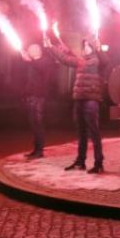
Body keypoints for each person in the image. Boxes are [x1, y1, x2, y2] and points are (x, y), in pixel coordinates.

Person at [45, 33, 106, 173]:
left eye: (88, 45)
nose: (85, 48)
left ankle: (98, 163)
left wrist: (100, 49)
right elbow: (65, 57)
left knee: (94, 132)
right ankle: (80, 161)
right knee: (81, 132)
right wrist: (51, 46)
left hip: (91, 100)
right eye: (84, 45)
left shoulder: (97, 61)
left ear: (94, 48)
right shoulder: (81, 60)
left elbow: (105, 61)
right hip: (79, 99)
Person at [19, 43, 53, 159]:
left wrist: (29, 61)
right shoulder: (32, 63)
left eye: (31, 49)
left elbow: (41, 69)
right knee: (33, 124)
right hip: (31, 96)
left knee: (38, 123)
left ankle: (40, 151)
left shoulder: (45, 61)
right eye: (29, 49)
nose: (29, 51)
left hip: (39, 97)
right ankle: (36, 149)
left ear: (38, 51)